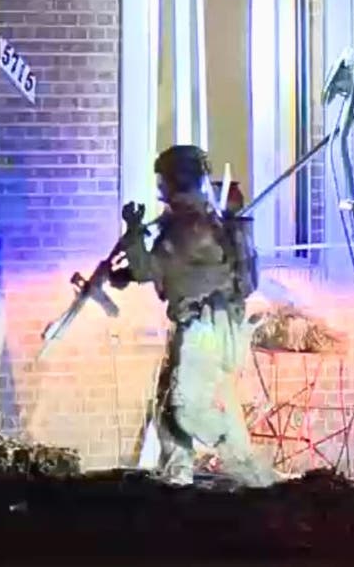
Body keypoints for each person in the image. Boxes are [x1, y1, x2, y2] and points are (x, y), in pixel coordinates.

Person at [112, 145, 276, 488]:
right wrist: (126, 272)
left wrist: (132, 230)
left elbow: (148, 268)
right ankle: (177, 474)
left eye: (162, 181)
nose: (159, 190)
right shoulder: (204, 220)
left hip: (204, 327)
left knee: (186, 408)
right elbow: (177, 270)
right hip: (211, 323)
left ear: (173, 181)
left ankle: (250, 470)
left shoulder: (187, 227)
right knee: (168, 403)